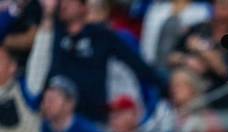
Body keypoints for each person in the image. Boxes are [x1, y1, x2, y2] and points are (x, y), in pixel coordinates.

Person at [31, 0, 167, 124]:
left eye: (70, 1)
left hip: (93, 117)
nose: (64, 4)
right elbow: (38, 60)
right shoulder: (54, 34)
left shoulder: (101, 35)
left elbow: (136, 64)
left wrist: (165, 86)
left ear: (83, 7)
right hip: (56, 118)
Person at [169, 67, 227, 132]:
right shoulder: (170, 120)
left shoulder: (208, 118)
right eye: (173, 85)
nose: (174, 89)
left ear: (192, 87)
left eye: (179, 85)